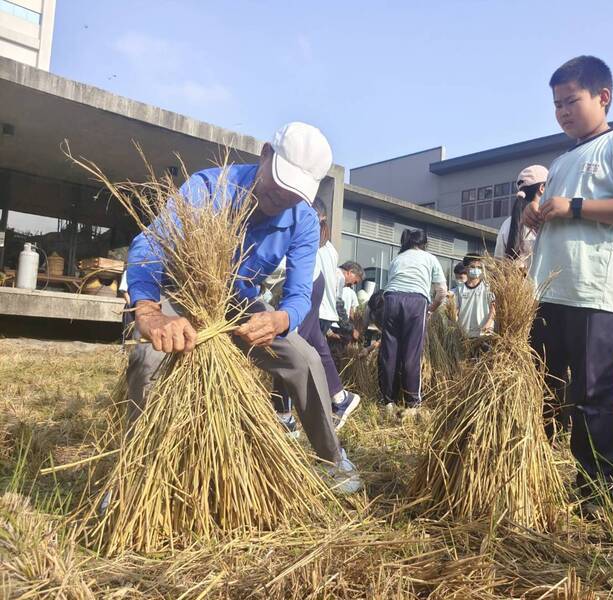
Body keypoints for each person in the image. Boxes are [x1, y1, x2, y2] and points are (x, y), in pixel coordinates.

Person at [125, 122, 361, 494]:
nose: (282, 196)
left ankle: (332, 460)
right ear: (265, 154)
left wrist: (280, 319)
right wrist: (150, 312)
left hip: (237, 302)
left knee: (305, 360)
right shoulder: (210, 188)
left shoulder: (303, 220)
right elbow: (150, 245)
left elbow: (299, 296)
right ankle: (133, 473)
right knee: (147, 361)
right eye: (279, 182)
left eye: (294, 191)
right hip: (182, 291)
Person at [522, 56, 613, 497]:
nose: (562, 111)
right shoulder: (561, 162)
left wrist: (574, 206)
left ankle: (599, 492)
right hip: (549, 294)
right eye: (557, 104)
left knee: (593, 397)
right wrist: (536, 215)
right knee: (542, 394)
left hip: (595, 296)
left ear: (603, 97)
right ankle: (532, 481)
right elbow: (557, 217)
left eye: (571, 101)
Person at [273, 199, 361, 436]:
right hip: (313, 296)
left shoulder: (310, 236)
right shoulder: (327, 246)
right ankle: (340, 397)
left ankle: (284, 415)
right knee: (316, 347)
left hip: (305, 292)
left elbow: (283, 267)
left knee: (285, 348)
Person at [379, 229, 447, 410]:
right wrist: (431, 309)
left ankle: (388, 401)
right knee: (412, 353)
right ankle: (412, 402)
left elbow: (389, 283)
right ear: (424, 244)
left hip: (391, 300)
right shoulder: (429, 258)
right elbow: (442, 292)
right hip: (416, 302)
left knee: (389, 352)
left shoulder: (397, 259)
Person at [495, 165, 547, 274]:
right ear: (542, 188)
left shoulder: (507, 223)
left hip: (518, 288)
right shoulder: (549, 220)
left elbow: (499, 262)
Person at [452, 254, 495, 338]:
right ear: (465, 268)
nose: (476, 269)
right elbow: (455, 310)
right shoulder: (459, 289)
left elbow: (493, 309)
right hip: (465, 334)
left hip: (484, 334)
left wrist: (488, 324)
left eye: (479, 267)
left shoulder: (487, 286)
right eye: (472, 266)